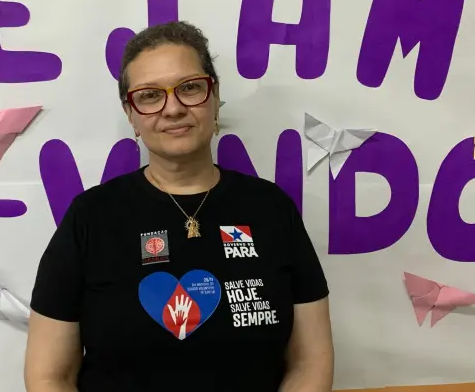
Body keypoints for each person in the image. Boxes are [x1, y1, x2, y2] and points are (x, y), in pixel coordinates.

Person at [24, 21, 333, 392]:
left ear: (214, 96)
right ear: (131, 114)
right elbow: (49, 376)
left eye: (189, 88)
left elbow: (310, 363)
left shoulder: (271, 209)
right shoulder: (90, 217)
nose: (172, 109)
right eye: (150, 95)